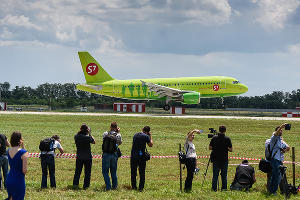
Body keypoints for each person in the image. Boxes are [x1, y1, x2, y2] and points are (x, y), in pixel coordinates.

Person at [6, 131, 29, 200]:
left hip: (9, 178)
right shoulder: (23, 152)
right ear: (20, 140)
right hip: (18, 179)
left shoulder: (8, 150)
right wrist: (23, 146)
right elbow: (24, 170)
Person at [209, 125, 232, 191]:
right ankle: (224, 188)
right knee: (224, 175)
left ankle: (214, 189)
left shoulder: (214, 138)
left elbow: (210, 148)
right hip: (224, 159)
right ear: (225, 131)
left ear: (219, 130)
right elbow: (231, 149)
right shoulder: (227, 139)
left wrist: (216, 148)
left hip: (215, 159)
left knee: (215, 175)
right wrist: (225, 147)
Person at [130, 126, 153, 192]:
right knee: (142, 173)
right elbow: (150, 145)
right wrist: (150, 136)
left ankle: (134, 187)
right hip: (141, 157)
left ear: (142, 129)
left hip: (133, 156)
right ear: (148, 132)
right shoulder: (146, 137)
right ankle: (141, 188)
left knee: (133, 172)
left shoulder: (135, 135)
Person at [268, 123, 289, 195]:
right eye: (280, 130)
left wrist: (284, 150)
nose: (281, 132)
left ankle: (272, 190)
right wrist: (281, 126)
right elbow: (276, 134)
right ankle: (273, 191)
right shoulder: (273, 138)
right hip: (274, 159)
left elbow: (288, 148)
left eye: (282, 131)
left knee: (277, 176)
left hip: (279, 160)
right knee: (276, 176)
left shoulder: (280, 140)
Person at [73, 124, 95, 189]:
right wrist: (90, 133)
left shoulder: (76, 136)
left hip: (79, 156)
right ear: (87, 130)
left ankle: (75, 184)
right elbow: (94, 142)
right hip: (87, 157)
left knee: (77, 171)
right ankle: (86, 186)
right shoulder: (87, 137)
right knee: (87, 172)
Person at [102, 122, 122, 190]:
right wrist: (118, 132)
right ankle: (115, 186)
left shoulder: (105, 133)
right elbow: (120, 143)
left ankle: (108, 186)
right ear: (116, 127)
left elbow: (103, 141)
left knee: (105, 171)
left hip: (106, 154)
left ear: (110, 127)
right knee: (113, 171)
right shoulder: (118, 135)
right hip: (114, 154)